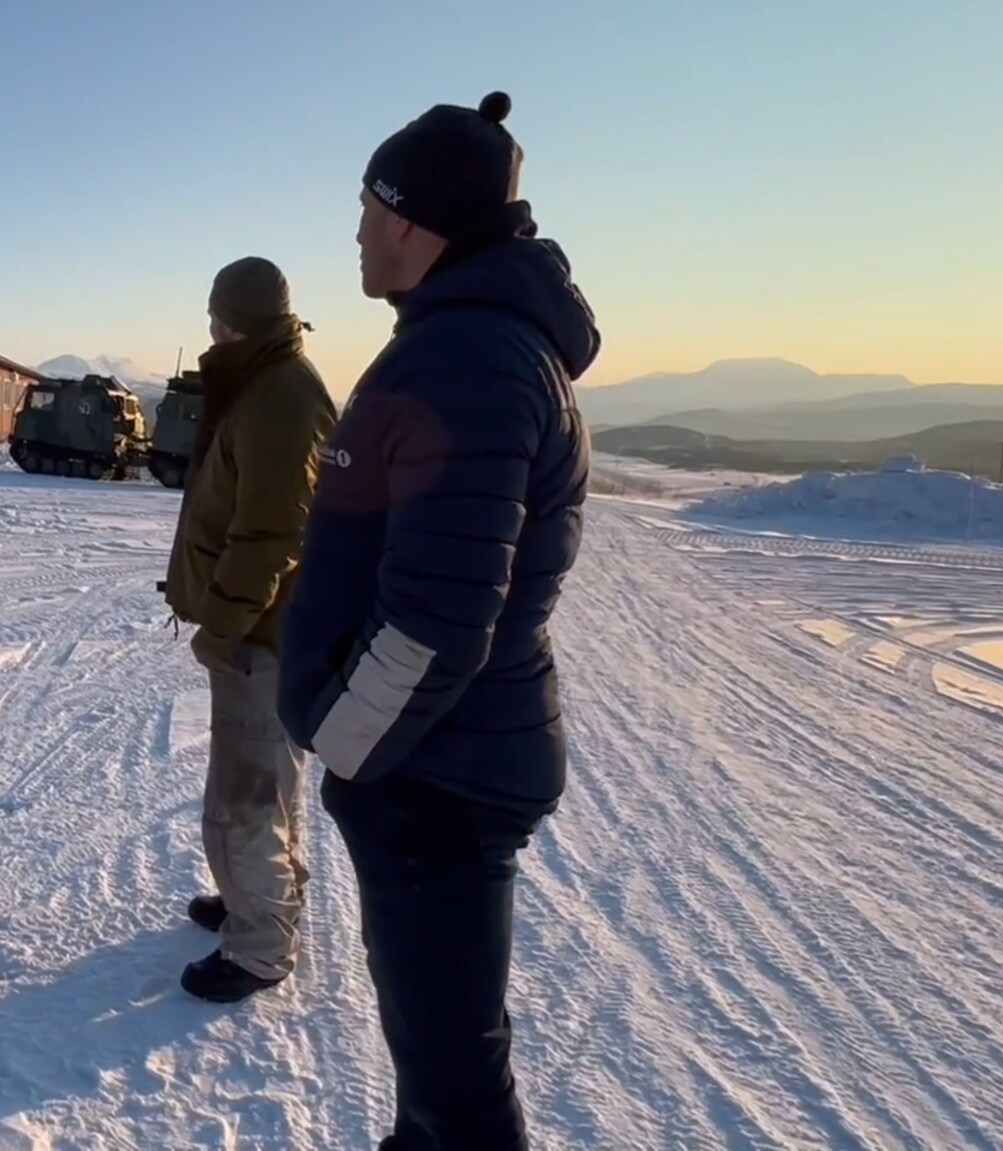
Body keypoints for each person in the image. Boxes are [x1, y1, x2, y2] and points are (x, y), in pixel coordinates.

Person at [276, 91, 600, 1150]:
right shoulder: (462, 339)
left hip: (435, 778)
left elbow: (438, 615)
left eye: (367, 208)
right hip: (440, 765)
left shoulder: (464, 357)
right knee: (437, 1057)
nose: (356, 231)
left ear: (414, 221)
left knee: (456, 1082)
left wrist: (342, 740)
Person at [163, 256, 337, 1003]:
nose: (209, 328)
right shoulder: (268, 380)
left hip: (262, 635)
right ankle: (255, 901)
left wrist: (226, 627)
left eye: (217, 315)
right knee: (266, 782)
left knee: (246, 795)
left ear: (240, 319)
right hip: (267, 628)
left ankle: (261, 946)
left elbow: (271, 534)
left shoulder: (279, 397)